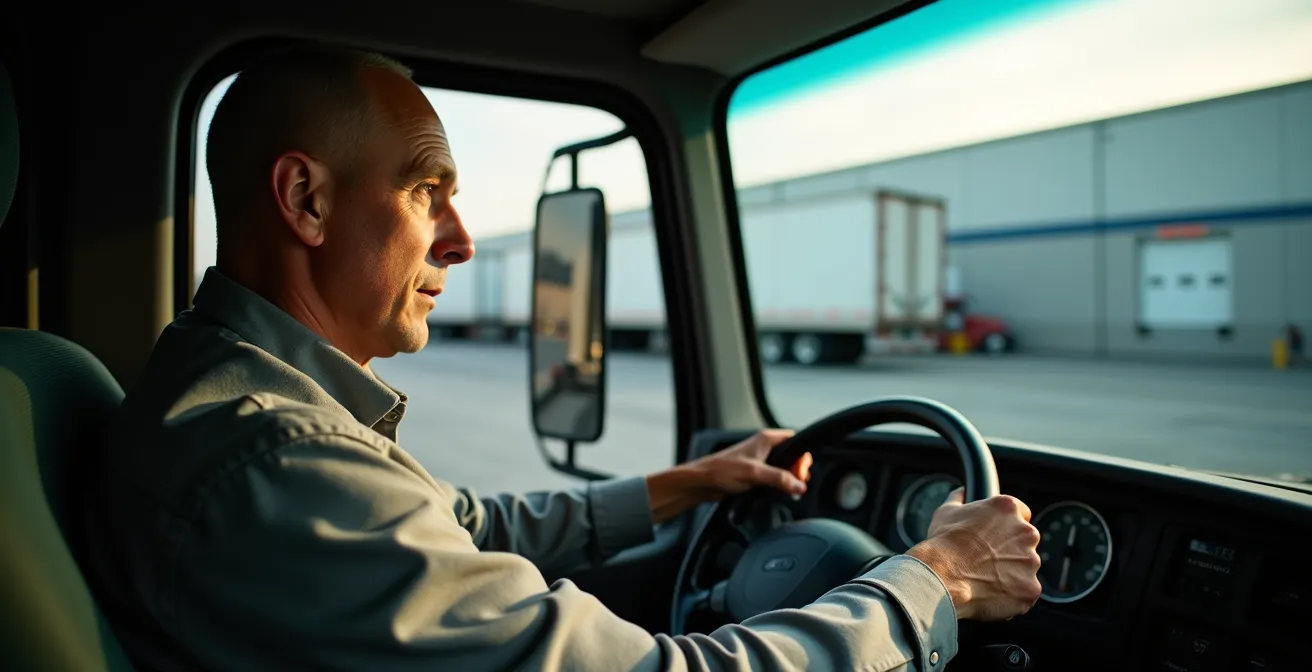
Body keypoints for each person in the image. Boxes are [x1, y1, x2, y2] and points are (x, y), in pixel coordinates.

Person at [80, 45, 1043, 671]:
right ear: (307, 201)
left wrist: (690, 483)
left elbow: (463, 526)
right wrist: (937, 581)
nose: (459, 240)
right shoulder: (273, 459)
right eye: (428, 191)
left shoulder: (247, 400)